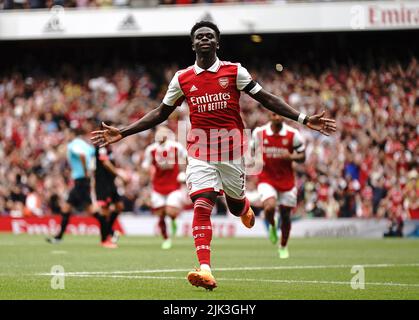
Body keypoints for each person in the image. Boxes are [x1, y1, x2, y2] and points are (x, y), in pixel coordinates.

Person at [91, 21, 336, 290]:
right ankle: (205, 268)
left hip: (232, 152)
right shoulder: (182, 78)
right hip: (200, 152)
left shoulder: (234, 71)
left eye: (210, 36)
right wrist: (123, 132)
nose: (205, 39)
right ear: (193, 44)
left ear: (217, 43)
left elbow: (265, 98)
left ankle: (242, 206)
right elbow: (161, 113)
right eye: (200, 36)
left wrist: (303, 118)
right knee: (202, 202)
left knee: (233, 206)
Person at [46, 126, 112, 248]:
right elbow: (93, 154)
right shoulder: (85, 144)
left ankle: (110, 233)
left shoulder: (73, 145)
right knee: (67, 208)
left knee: (91, 210)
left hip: (81, 181)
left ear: (72, 134)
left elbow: (81, 155)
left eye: (67, 133)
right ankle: (59, 237)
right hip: (82, 181)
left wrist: (85, 170)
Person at [252, 113, 306, 259]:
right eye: (274, 114)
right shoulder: (259, 133)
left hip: (287, 181)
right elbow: (249, 151)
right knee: (269, 207)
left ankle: (283, 246)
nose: (277, 117)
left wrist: (291, 156)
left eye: (280, 114)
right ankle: (272, 224)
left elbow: (302, 156)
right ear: (269, 115)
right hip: (266, 178)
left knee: (286, 215)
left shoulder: (293, 134)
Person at [141, 126, 188, 249]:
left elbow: (188, 158)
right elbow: (145, 166)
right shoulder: (151, 149)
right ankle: (166, 239)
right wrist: (146, 175)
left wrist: (185, 173)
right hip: (157, 186)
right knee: (160, 214)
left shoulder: (176, 147)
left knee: (170, 211)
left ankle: (173, 219)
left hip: (173, 185)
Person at [94, 141, 126, 248]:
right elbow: (105, 162)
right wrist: (119, 174)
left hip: (110, 183)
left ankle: (109, 232)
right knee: (105, 211)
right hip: (103, 184)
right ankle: (104, 240)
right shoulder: (101, 147)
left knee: (119, 206)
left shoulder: (109, 148)